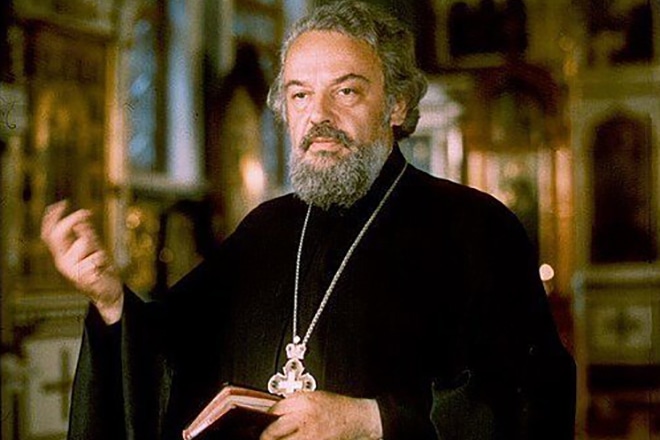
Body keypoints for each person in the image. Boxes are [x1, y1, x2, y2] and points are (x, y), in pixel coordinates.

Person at [41, 2, 575, 439]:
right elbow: (170, 357)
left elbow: (534, 397)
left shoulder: (478, 229)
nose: (318, 115)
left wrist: (370, 421)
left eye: (346, 91)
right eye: (300, 95)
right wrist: (111, 301)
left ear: (396, 104)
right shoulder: (265, 230)